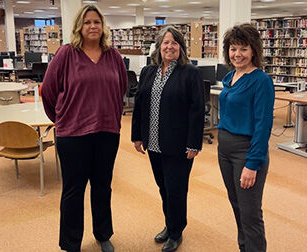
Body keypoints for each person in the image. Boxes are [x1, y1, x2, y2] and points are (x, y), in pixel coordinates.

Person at [41, 5, 127, 252]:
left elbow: (121, 87)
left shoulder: (113, 56)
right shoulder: (66, 54)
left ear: (103, 26)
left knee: (102, 186)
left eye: (97, 22)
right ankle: (71, 243)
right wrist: (61, 118)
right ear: (79, 26)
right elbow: (48, 91)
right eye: (87, 22)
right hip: (72, 134)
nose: (92, 26)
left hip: (107, 132)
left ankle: (103, 234)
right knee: (73, 189)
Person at [131, 26, 204, 252]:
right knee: (163, 187)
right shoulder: (148, 71)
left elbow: (197, 110)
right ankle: (169, 224)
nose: (169, 47)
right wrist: (137, 136)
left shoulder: (190, 73)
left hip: (179, 145)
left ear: (181, 47)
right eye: (165, 42)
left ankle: (176, 232)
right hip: (153, 142)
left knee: (176, 189)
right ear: (158, 46)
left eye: (174, 43)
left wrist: (194, 143)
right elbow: (140, 105)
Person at [217, 23, 274, 252]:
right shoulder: (230, 76)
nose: (237, 54)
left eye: (243, 49)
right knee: (237, 206)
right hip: (225, 150)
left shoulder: (261, 80)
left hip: (246, 152)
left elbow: (263, 126)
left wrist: (252, 163)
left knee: (250, 213)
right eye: (233, 49)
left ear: (253, 51)